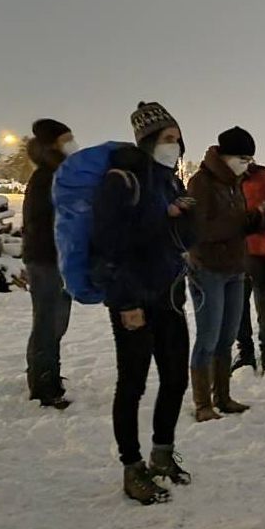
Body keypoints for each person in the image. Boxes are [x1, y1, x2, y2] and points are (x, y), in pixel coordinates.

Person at [92, 101, 195, 504]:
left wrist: (185, 216)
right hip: (134, 300)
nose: (175, 146)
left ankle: (162, 455)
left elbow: (186, 240)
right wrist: (125, 301)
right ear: (149, 140)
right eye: (168, 139)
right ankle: (131, 468)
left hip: (170, 296)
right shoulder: (122, 180)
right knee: (132, 385)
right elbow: (108, 248)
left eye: (178, 139)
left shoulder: (171, 181)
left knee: (175, 379)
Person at [187, 127, 265, 422]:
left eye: (250, 159)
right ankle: (202, 403)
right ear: (224, 156)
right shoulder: (202, 183)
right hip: (207, 269)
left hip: (235, 269)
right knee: (208, 337)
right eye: (242, 158)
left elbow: (233, 223)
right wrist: (243, 221)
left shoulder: (235, 182)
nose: (246, 164)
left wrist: (256, 217)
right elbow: (202, 229)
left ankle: (222, 396)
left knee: (226, 337)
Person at [23, 119, 76, 409]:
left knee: (57, 321)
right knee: (47, 320)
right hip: (46, 260)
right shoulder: (46, 178)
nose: (72, 143)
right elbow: (42, 223)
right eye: (66, 138)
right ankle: (44, 383)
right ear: (52, 144)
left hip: (61, 258)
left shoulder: (60, 174)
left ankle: (47, 372)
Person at [232, 162, 265, 375]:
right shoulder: (234, 178)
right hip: (238, 249)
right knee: (243, 303)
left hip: (256, 249)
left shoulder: (259, 178)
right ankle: (250, 352)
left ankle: (263, 353)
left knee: (257, 301)